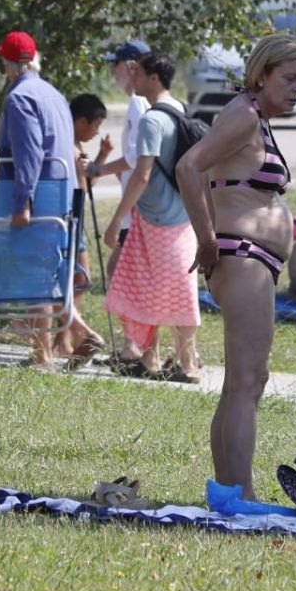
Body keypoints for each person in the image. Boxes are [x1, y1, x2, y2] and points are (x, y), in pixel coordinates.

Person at [176, 33, 296, 511]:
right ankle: (238, 495)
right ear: (262, 74)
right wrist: (206, 239)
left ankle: (229, 491)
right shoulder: (242, 114)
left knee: (250, 379)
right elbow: (189, 167)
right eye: (290, 79)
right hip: (241, 255)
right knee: (245, 381)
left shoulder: (255, 119)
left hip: (254, 258)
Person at [103, 51, 202, 382]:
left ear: (154, 78)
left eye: (139, 74)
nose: (134, 80)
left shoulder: (151, 120)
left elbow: (142, 175)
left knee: (159, 289)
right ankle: (153, 358)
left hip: (156, 219)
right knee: (163, 288)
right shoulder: (181, 110)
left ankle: (184, 364)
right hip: (183, 215)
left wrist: (117, 219)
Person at [0, 31, 80, 370]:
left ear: (8, 64)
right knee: (52, 270)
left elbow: (28, 154)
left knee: (36, 272)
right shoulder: (53, 93)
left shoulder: (20, 98)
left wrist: (22, 201)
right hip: (63, 191)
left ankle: (42, 353)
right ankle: (75, 337)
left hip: (41, 194)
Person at [92, 40, 152, 241]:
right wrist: (122, 171)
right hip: (140, 205)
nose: (112, 71)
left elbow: (138, 156)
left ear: (130, 66)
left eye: (115, 64)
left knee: (117, 269)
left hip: (139, 207)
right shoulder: (142, 100)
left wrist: (97, 170)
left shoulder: (138, 102)